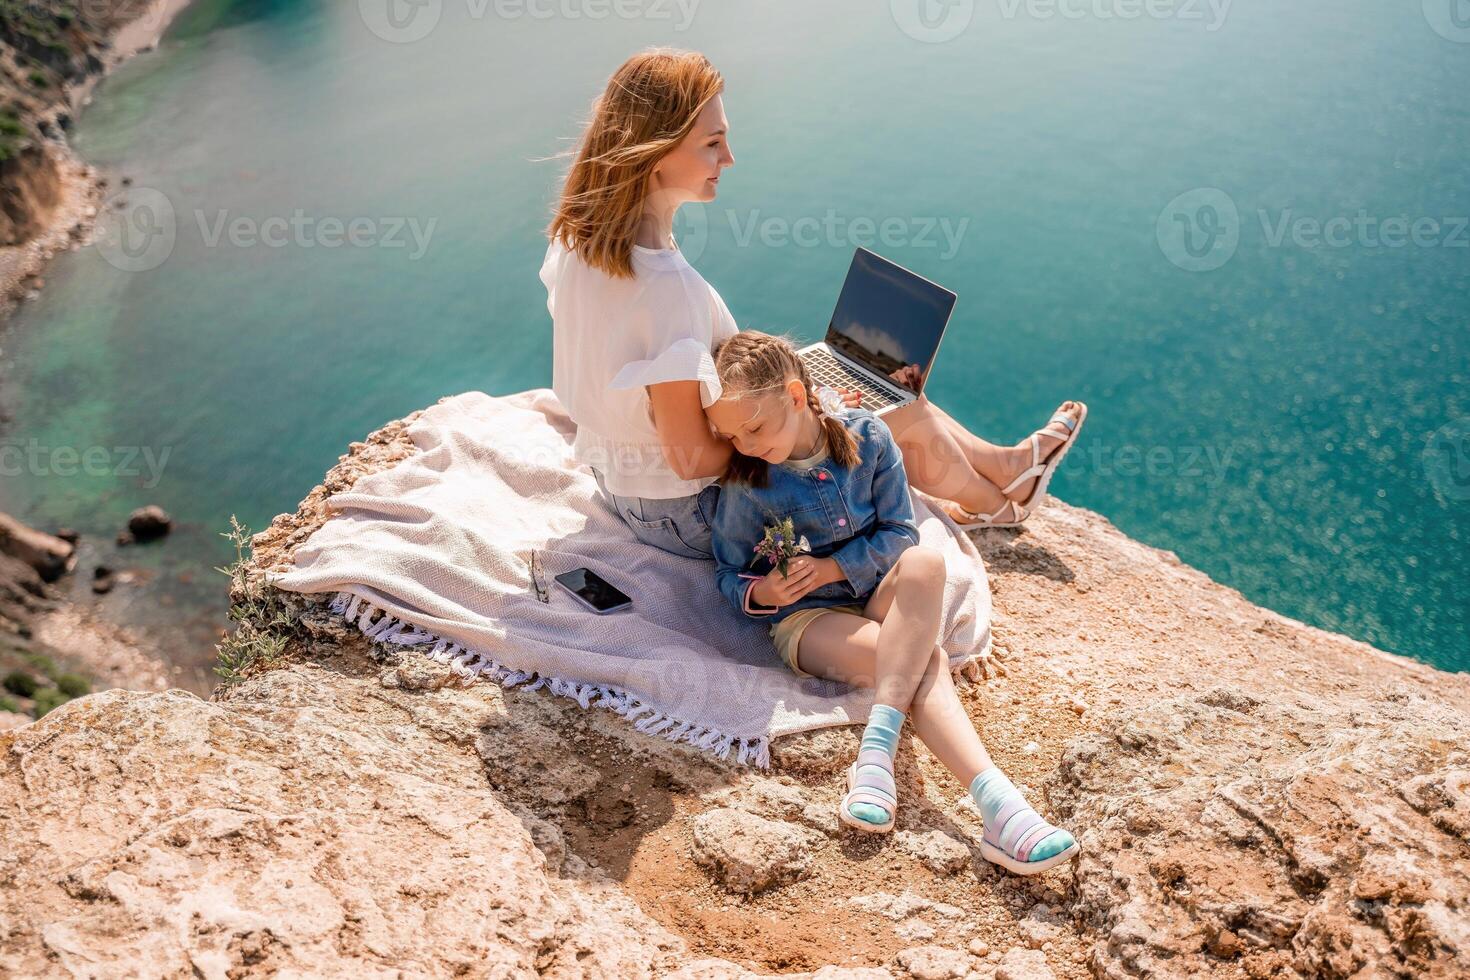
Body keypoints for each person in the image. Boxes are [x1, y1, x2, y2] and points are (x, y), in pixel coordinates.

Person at [541, 46, 1086, 561]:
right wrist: (797, 420)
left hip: (620, 482)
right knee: (894, 407)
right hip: (691, 514)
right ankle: (999, 505)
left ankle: (1007, 465)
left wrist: (795, 397)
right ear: (656, 151)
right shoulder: (665, 286)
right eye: (712, 142)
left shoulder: (576, 242)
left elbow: (626, 370)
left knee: (867, 377)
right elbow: (689, 458)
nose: (729, 157)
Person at [705, 330, 1080, 876]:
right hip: (810, 621)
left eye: (753, 427)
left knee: (927, 561)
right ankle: (998, 805)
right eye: (730, 434)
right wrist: (761, 592)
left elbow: (902, 531)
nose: (743, 445)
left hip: (875, 594)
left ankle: (876, 758)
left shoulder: (870, 437)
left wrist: (835, 566)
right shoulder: (747, 485)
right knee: (923, 659)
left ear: (794, 395)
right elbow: (727, 570)